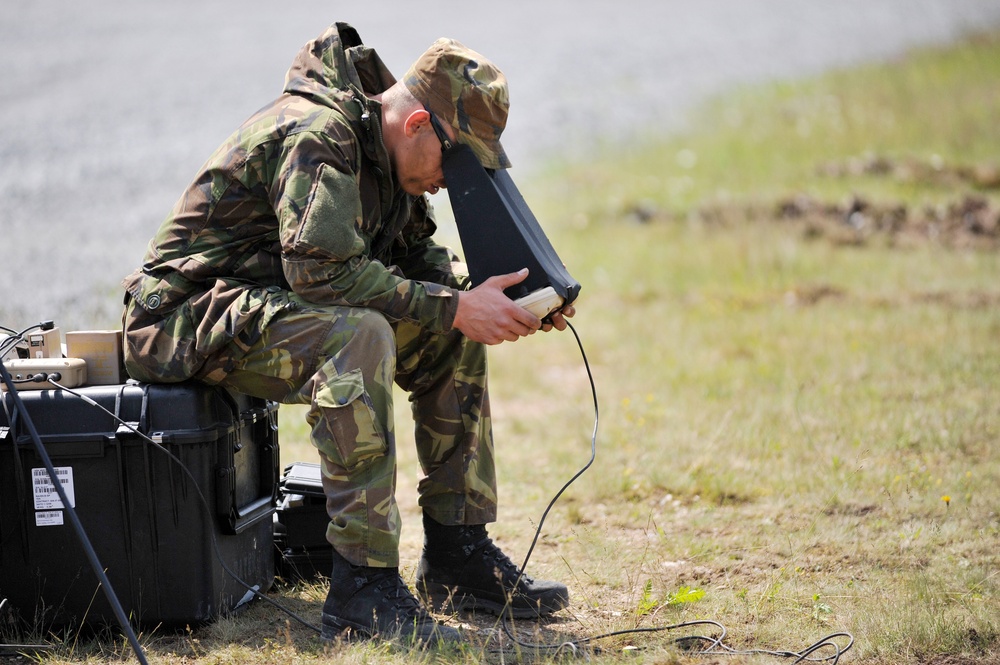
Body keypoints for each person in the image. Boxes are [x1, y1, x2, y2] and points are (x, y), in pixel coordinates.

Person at [120, 22, 575, 647]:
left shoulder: (389, 154)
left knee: (451, 330)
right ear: (417, 125)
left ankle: (456, 554)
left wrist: (502, 302)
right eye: (454, 157)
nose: (451, 180)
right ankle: (364, 588)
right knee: (358, 335)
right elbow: (321, 273)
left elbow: (420, 272)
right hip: (180, 316)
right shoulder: (321, 134)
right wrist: (452, 305)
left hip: (265, 307)